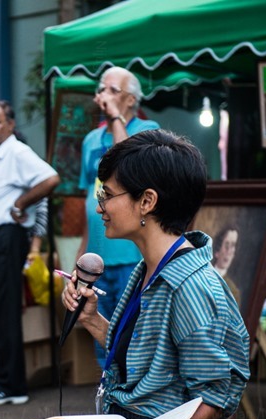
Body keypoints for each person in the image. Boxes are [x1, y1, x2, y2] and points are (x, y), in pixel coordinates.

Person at [60, 129, 250, 419]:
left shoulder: (190, 285)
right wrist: (92, 319)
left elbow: (217, 396)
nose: (100, 208)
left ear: (147, 201)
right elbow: (145, 359)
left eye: (107, 195)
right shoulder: (150, 268)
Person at [0, 100, 60, 406]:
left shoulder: (17, 151)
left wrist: (20, 205)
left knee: (4, 310)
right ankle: (5, 380)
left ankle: (12, 385)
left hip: (3, 238)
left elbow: (50, 179)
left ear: (9, 123)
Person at [77, 66, 160, 366]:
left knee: (131, 335)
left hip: (131, 257)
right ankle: (108, 397)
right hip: (97, 258)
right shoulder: (90, 139)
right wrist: (80, 255)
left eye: (112, 90)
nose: (104, 95)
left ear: (130, 100)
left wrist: (115, 118)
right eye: (102, 89)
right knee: (101, 336)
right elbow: (89, 197)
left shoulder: (147, 132)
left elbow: (126, 166)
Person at [211, 225, 242, 306]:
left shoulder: (233, 292)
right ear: (217, 250)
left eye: (233, 245)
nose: (229, 251)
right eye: (226, 244)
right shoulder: (201, 275)